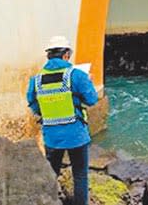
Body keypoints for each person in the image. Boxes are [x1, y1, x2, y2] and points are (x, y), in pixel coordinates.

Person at [27, 36, 98, 205]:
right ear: (66, 55)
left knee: (51, 174)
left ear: (49, 56)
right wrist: (89, 83)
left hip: (52, 136)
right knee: (80, 175)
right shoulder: (77, 75)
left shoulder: (36, 80)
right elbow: (92, 100)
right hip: (76, 135)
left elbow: (33, 104)